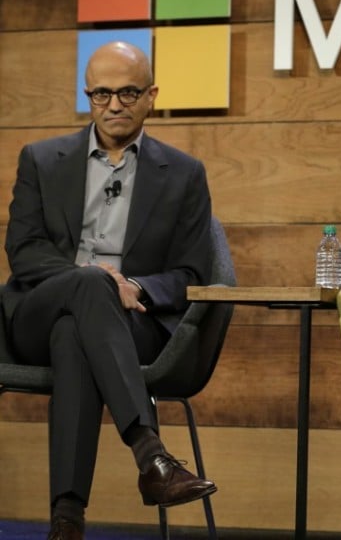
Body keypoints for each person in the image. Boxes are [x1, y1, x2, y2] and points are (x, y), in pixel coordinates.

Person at [2, 41, 218, 540]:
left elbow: (191, 274)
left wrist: (134, 285)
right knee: (85, 287)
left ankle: (67, 521)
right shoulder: (41, 160)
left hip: (129, 321)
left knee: (74, 336)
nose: (114, 105)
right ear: (87, 94)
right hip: (37, 310)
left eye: (127, 92)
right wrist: (99, 278)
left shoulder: (184, 173)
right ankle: (151, 454)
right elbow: (26, 250)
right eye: (101, 94)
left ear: (151, 96)